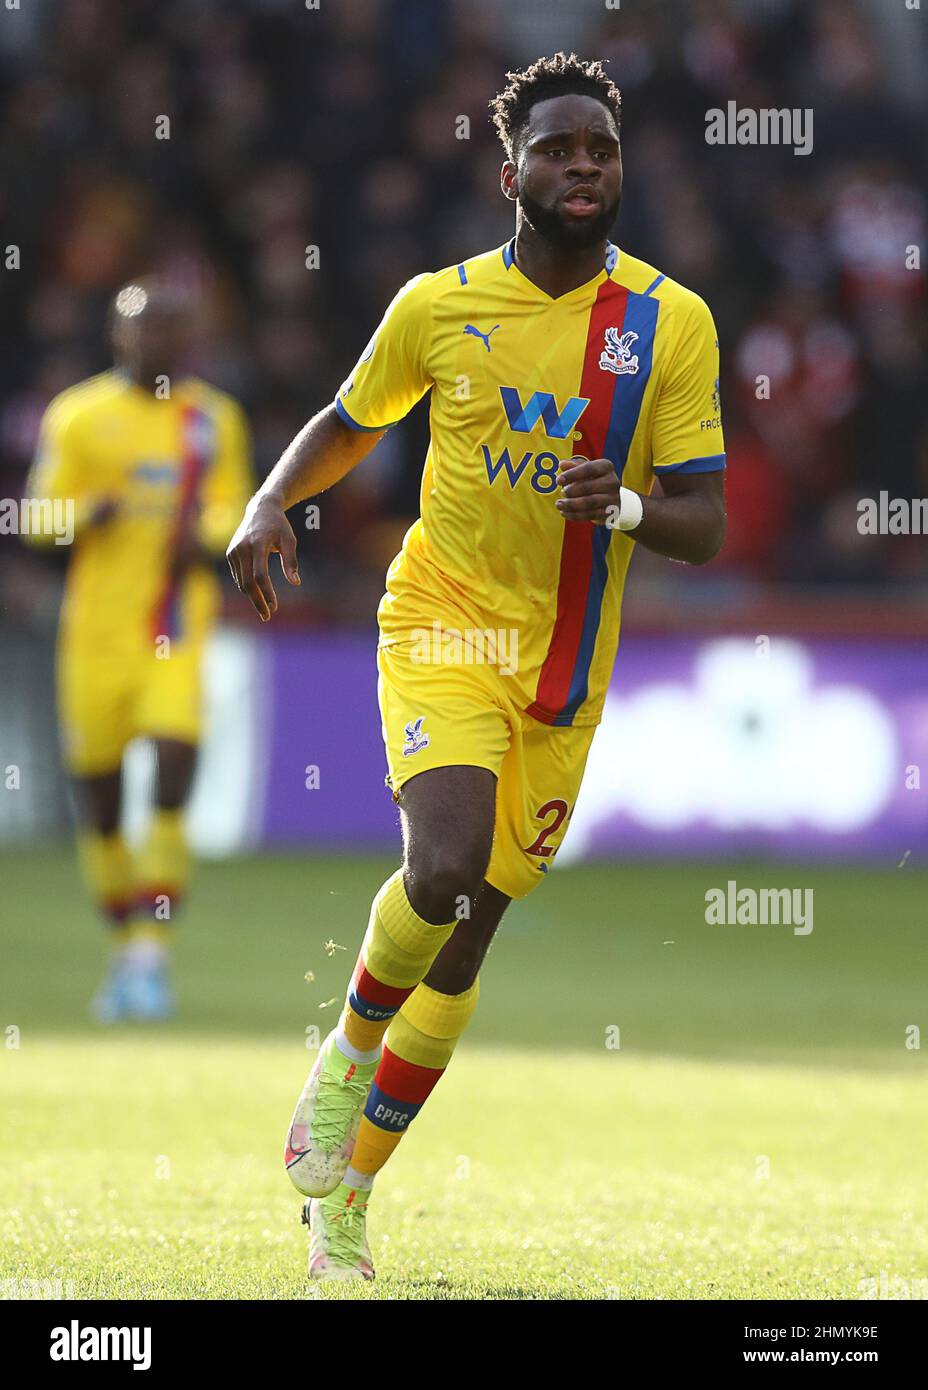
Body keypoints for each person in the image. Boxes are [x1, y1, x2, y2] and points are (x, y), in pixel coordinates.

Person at [227, 52, 726, 1281]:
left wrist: (622, 510)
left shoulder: (673, 323)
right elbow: (350, 421)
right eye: (558, 149)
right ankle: (343, 1059)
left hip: (563, 671)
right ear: (511, 172)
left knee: (462, 945)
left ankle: (343, 1198)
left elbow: (704, 523)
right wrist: (269, 503)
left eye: (600, 152)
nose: (582, 168)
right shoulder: (435, 307)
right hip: (444, 621)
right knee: (439, 869)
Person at [26, 279, 252, 1021]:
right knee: (97, 803)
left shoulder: (213, 421)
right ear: (118, 336)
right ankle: (128, 949)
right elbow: (35, 519)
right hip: (93, 637)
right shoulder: (80, 415)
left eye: (173, 330)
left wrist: (211, 536)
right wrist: (92, 511)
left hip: (174, 629)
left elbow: (236, 509)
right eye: (144, 328)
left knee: (175, 760)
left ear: (191, 342)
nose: (158, 342)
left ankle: (152, 956)